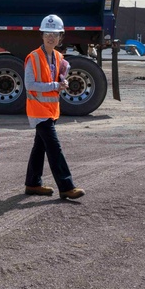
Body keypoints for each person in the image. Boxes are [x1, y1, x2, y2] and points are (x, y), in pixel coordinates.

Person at [23, 15, 85, 200]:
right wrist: (55, 86)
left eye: (55, 34)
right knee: (54, 148)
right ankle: (66, 186)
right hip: (38, 111)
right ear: (42, 35)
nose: (51, 37)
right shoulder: (33, 57)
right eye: (47, 33)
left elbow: (56, 78)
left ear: (61, 37)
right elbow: (30, 85)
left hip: (51, 110)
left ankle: (32, 183)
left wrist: (62, 81)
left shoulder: (58, 57)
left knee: (39, 147)